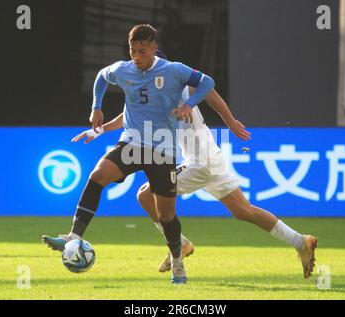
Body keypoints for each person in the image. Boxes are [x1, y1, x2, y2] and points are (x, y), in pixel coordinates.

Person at [73, 49, 318, 279]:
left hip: (201, 163)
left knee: (146, 195)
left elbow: (210, 92)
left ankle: (180, 244)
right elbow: (125, 118)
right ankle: (300, 241)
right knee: (244, 211)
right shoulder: (146, 93)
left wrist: (231, 122)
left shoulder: (177, 84)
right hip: (211, 158)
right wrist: (100, 130)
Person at [42, 24, 215, 285]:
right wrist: (96, 107)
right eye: (133, 51)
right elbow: (101, 76)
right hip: (132, 144)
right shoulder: (124, 70)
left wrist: (189, 104)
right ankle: (74, 236)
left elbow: (207, 82)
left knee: (166, 215)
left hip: (161, 149)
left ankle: (177, 263)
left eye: (142, 51)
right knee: (98, 174)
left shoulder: (173, 70)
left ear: (154, 48)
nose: (137, 56)